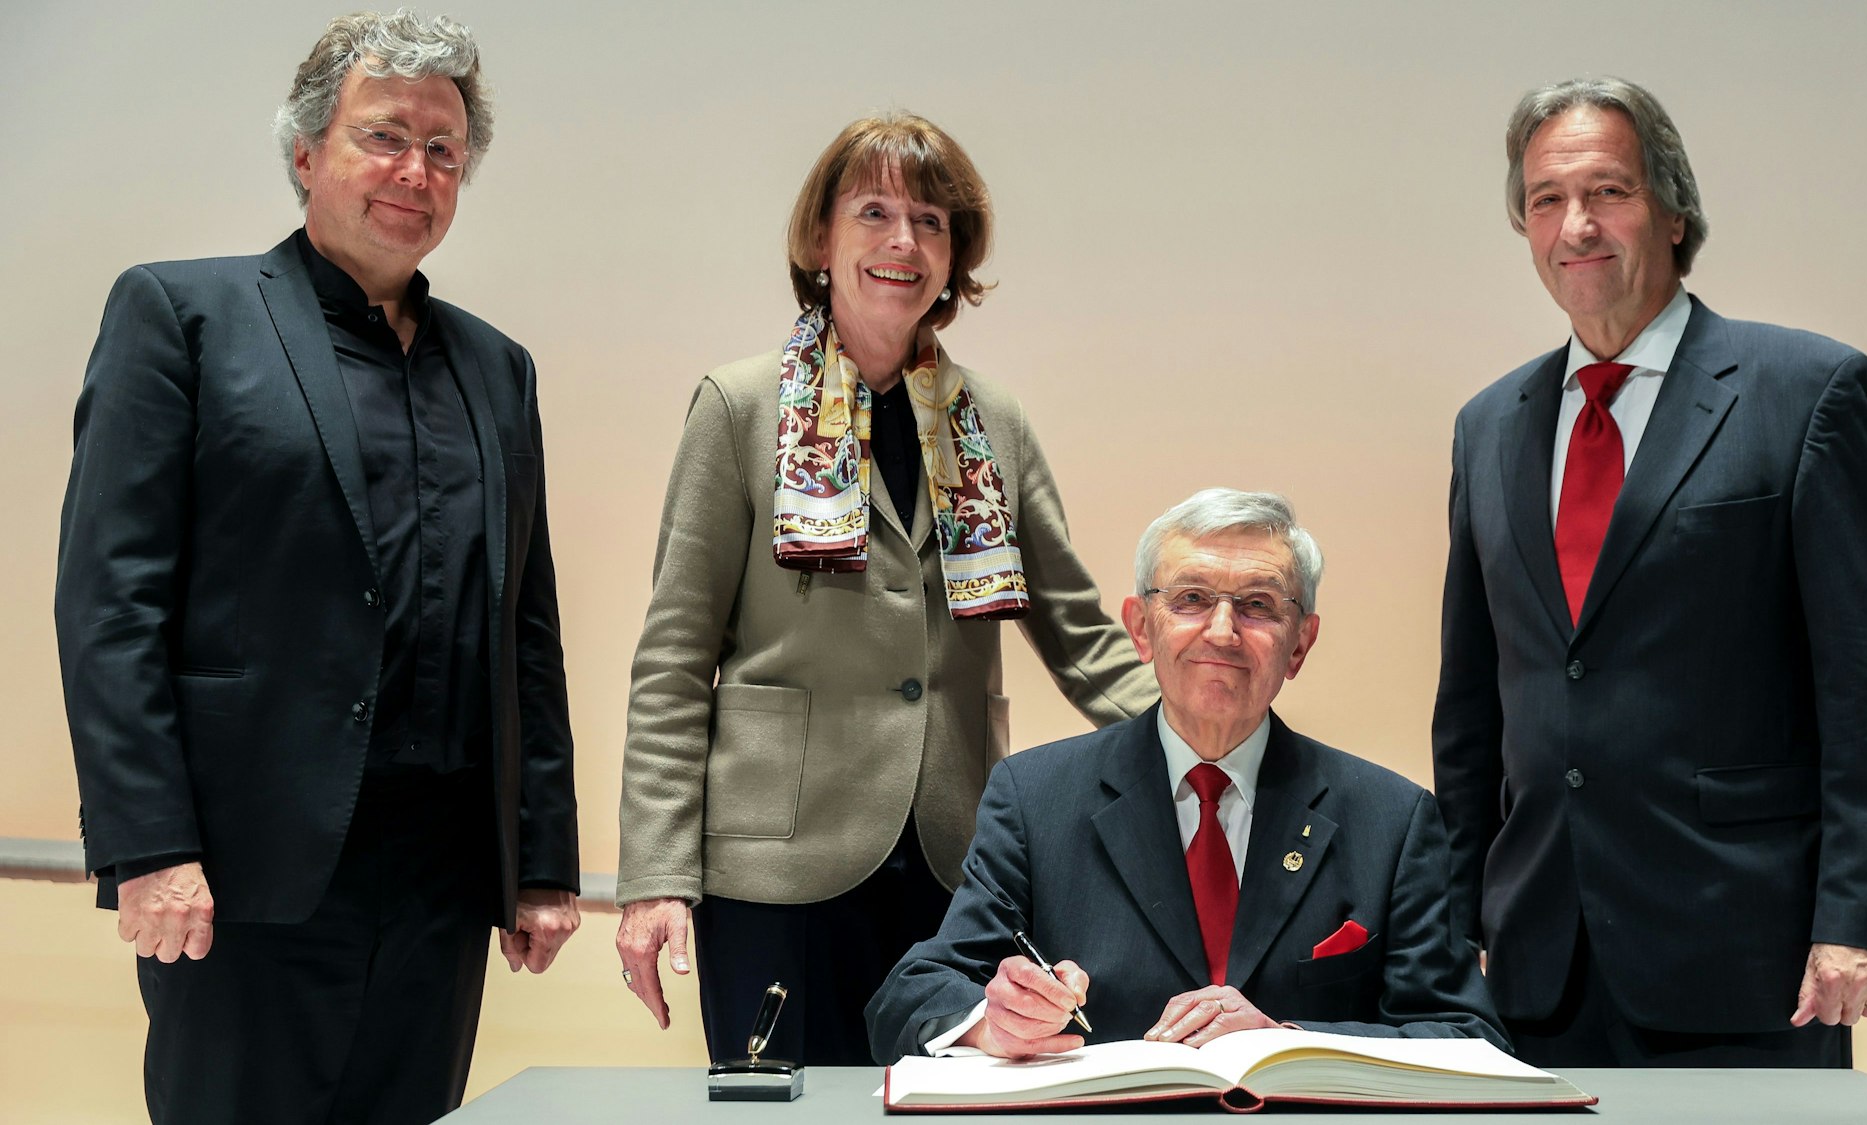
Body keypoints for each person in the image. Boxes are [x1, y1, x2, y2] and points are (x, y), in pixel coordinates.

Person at [53, 11, 580, 1122]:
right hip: (245, 878)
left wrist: (538, 858)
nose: (415, 171)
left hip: (439, 883)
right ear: (305, 154)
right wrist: (149, 846)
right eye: (384, 136)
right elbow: (111, 604)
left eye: (443, 151)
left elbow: (522, 627)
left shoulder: (497, 368)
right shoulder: (182, 316)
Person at [613, 112, 1155, 1066]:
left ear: (955, 257)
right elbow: (672, 658)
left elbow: (1079, 633)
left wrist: (1213, 738)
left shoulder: (993, 419)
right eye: (874, 212)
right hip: (776, 867)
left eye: (932, 221)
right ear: (821, 240)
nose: (904, 242)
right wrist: (655, 876)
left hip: (954, 861)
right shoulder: (737, 408)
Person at [1432, 76, 1867, 1069]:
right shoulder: (1487, 426)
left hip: (1749, 958)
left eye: (1605, 192)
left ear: (1669, 211)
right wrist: (1453, 924)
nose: (1575, 224)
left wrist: (1864, 912)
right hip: (1539, 963)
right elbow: (1471, 711)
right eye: (1544, 201)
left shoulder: (1806, 394)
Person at [867, 489, 1504, 1060]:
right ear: (1142, 630)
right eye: (1192, 600)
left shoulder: (1392, 818)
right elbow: (911, 996)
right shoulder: (1034, 798)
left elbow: (1466, 1035)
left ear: (1300, 643)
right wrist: (990, 1022)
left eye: (1257, 606)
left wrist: (1289, 1040)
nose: (1222, 632)